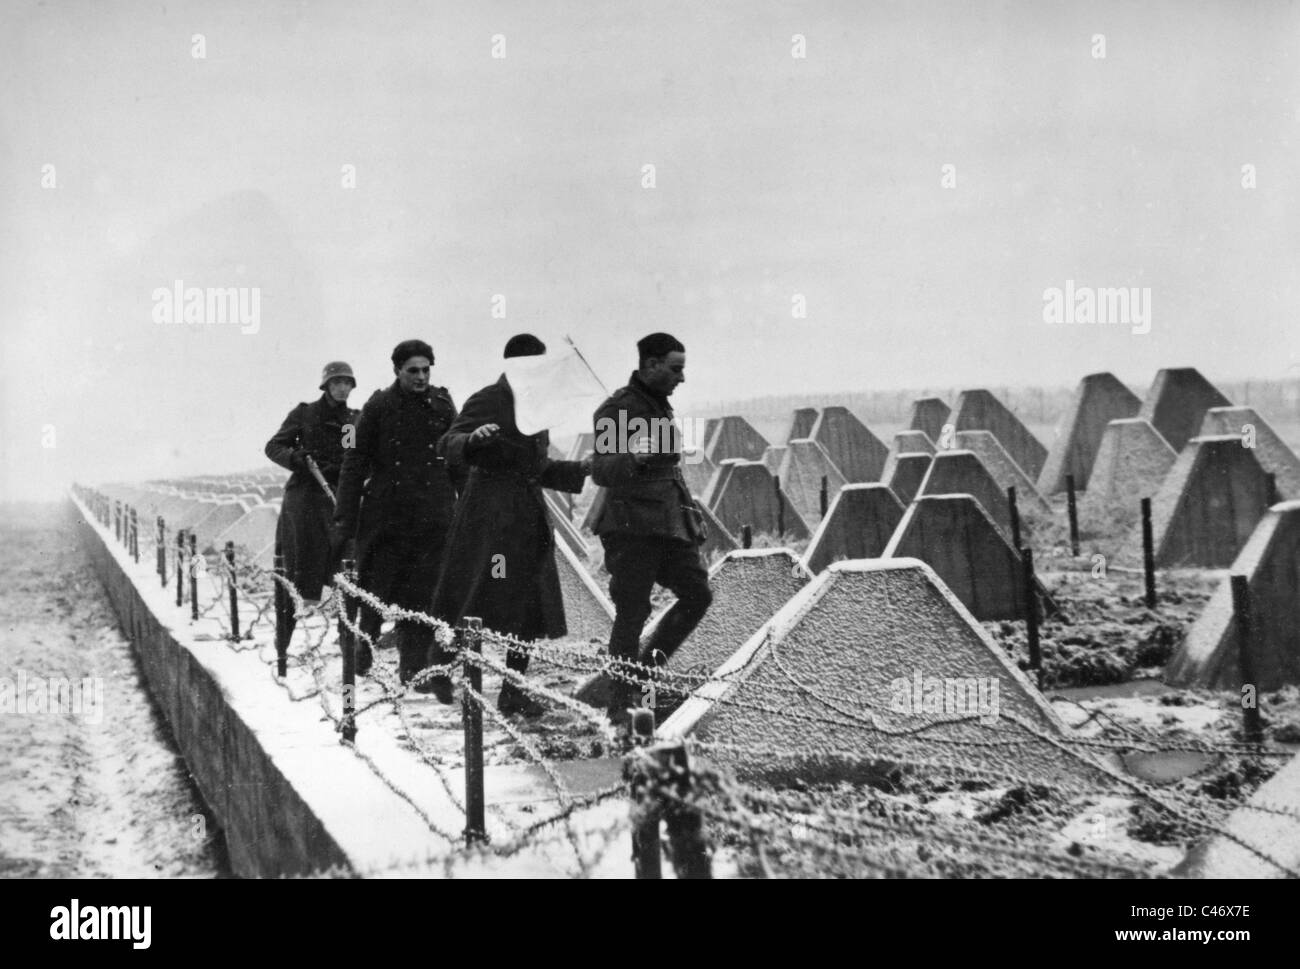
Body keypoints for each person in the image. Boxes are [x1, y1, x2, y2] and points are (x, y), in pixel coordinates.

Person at [432, 334, 591, 717]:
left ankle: (513, 691)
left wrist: (580, 469)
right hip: (487, 516)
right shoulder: (489, 399)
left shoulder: (537, 408)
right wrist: (472, 438)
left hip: (526, 515)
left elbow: (535, 466)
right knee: (474, 595)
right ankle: (441, 665)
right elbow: (447, 442)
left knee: (530, 606)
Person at [590, 332, 712, 725]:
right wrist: (635, 455)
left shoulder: (658, 406)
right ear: (651, 365)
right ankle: (620, 705)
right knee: (633, 610)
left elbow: (670, 468)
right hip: (631, 528)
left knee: (697, 594)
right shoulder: (618, 410)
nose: (682, 378)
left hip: (669, 523)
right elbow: (603, 470)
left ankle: (639, 677)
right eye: (676, 369)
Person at [334, 340, 465, 692]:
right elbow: (354, 463)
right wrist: (345, 519)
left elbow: (456, 457)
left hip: (433, 516)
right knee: (377, 588)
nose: (421, 377)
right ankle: (364, 642)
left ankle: (415, 673)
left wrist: (465, 502)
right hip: (388, 517)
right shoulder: (378, 406)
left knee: (423, 596)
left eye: (426, 370)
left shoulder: (441, 403)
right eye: (413, 371)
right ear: (397, 371)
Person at [263, 361, 359, 643]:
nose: (342, 388)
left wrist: (346, 470)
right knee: (295, 572)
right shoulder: (304, 414)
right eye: (337, 382)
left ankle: (346, 644)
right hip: (305, 501)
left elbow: (352, 452)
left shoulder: (353, 420)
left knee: (347, 571)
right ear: (326, 386)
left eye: (347, 383)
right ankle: (283, 643)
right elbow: (274, 446)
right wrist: (297, 458)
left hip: (338, 498)